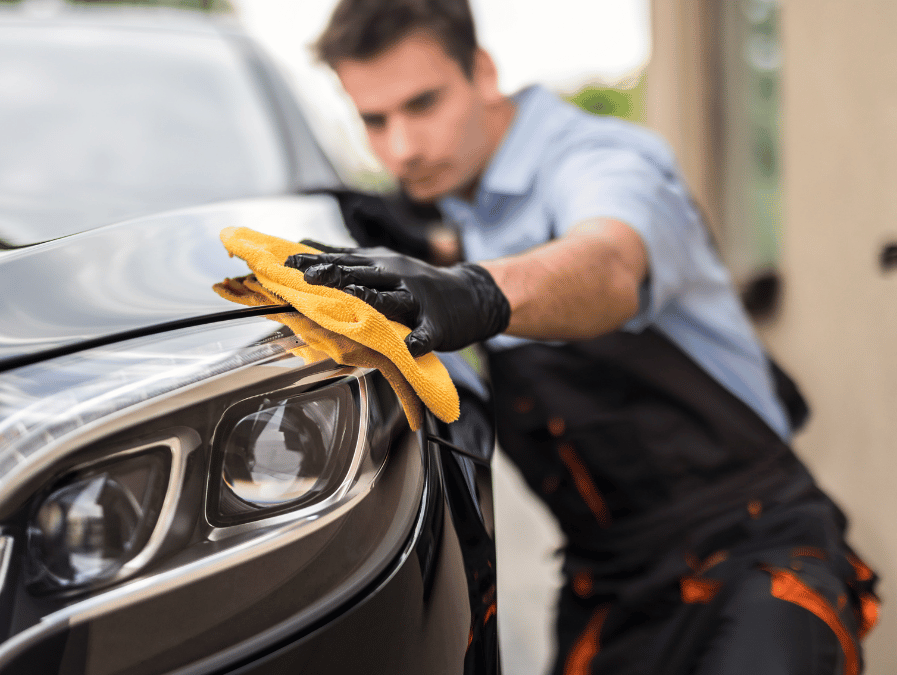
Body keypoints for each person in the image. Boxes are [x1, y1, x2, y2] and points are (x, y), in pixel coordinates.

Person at [287, 0, 881, 673]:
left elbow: (610, 263)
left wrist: (479, 290)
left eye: (423, 104)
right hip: (610, 592)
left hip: (753, 557)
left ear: (482, 72)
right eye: (375, 120)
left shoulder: (601, 158)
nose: (403, 148)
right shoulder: (464, 203)